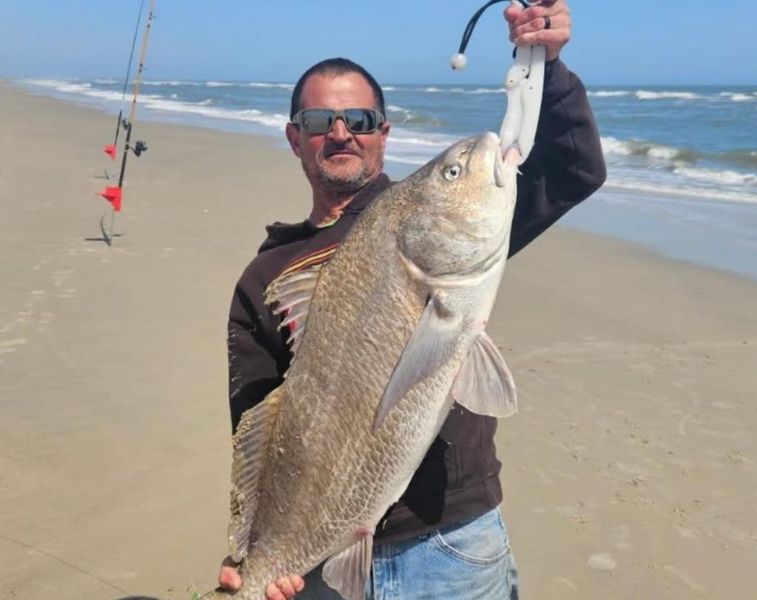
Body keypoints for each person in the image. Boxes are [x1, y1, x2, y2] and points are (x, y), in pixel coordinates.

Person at [219, 1, 605, 598]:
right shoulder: (264, 277)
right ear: (295, 137)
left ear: (383, 133)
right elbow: (256, 425)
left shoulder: (427, 216)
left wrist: (546, 66)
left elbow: (574, 169)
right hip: (319, 561)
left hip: (450, 542)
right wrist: (249, 555)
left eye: (360, 118)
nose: (341, 132)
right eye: (321, 120)